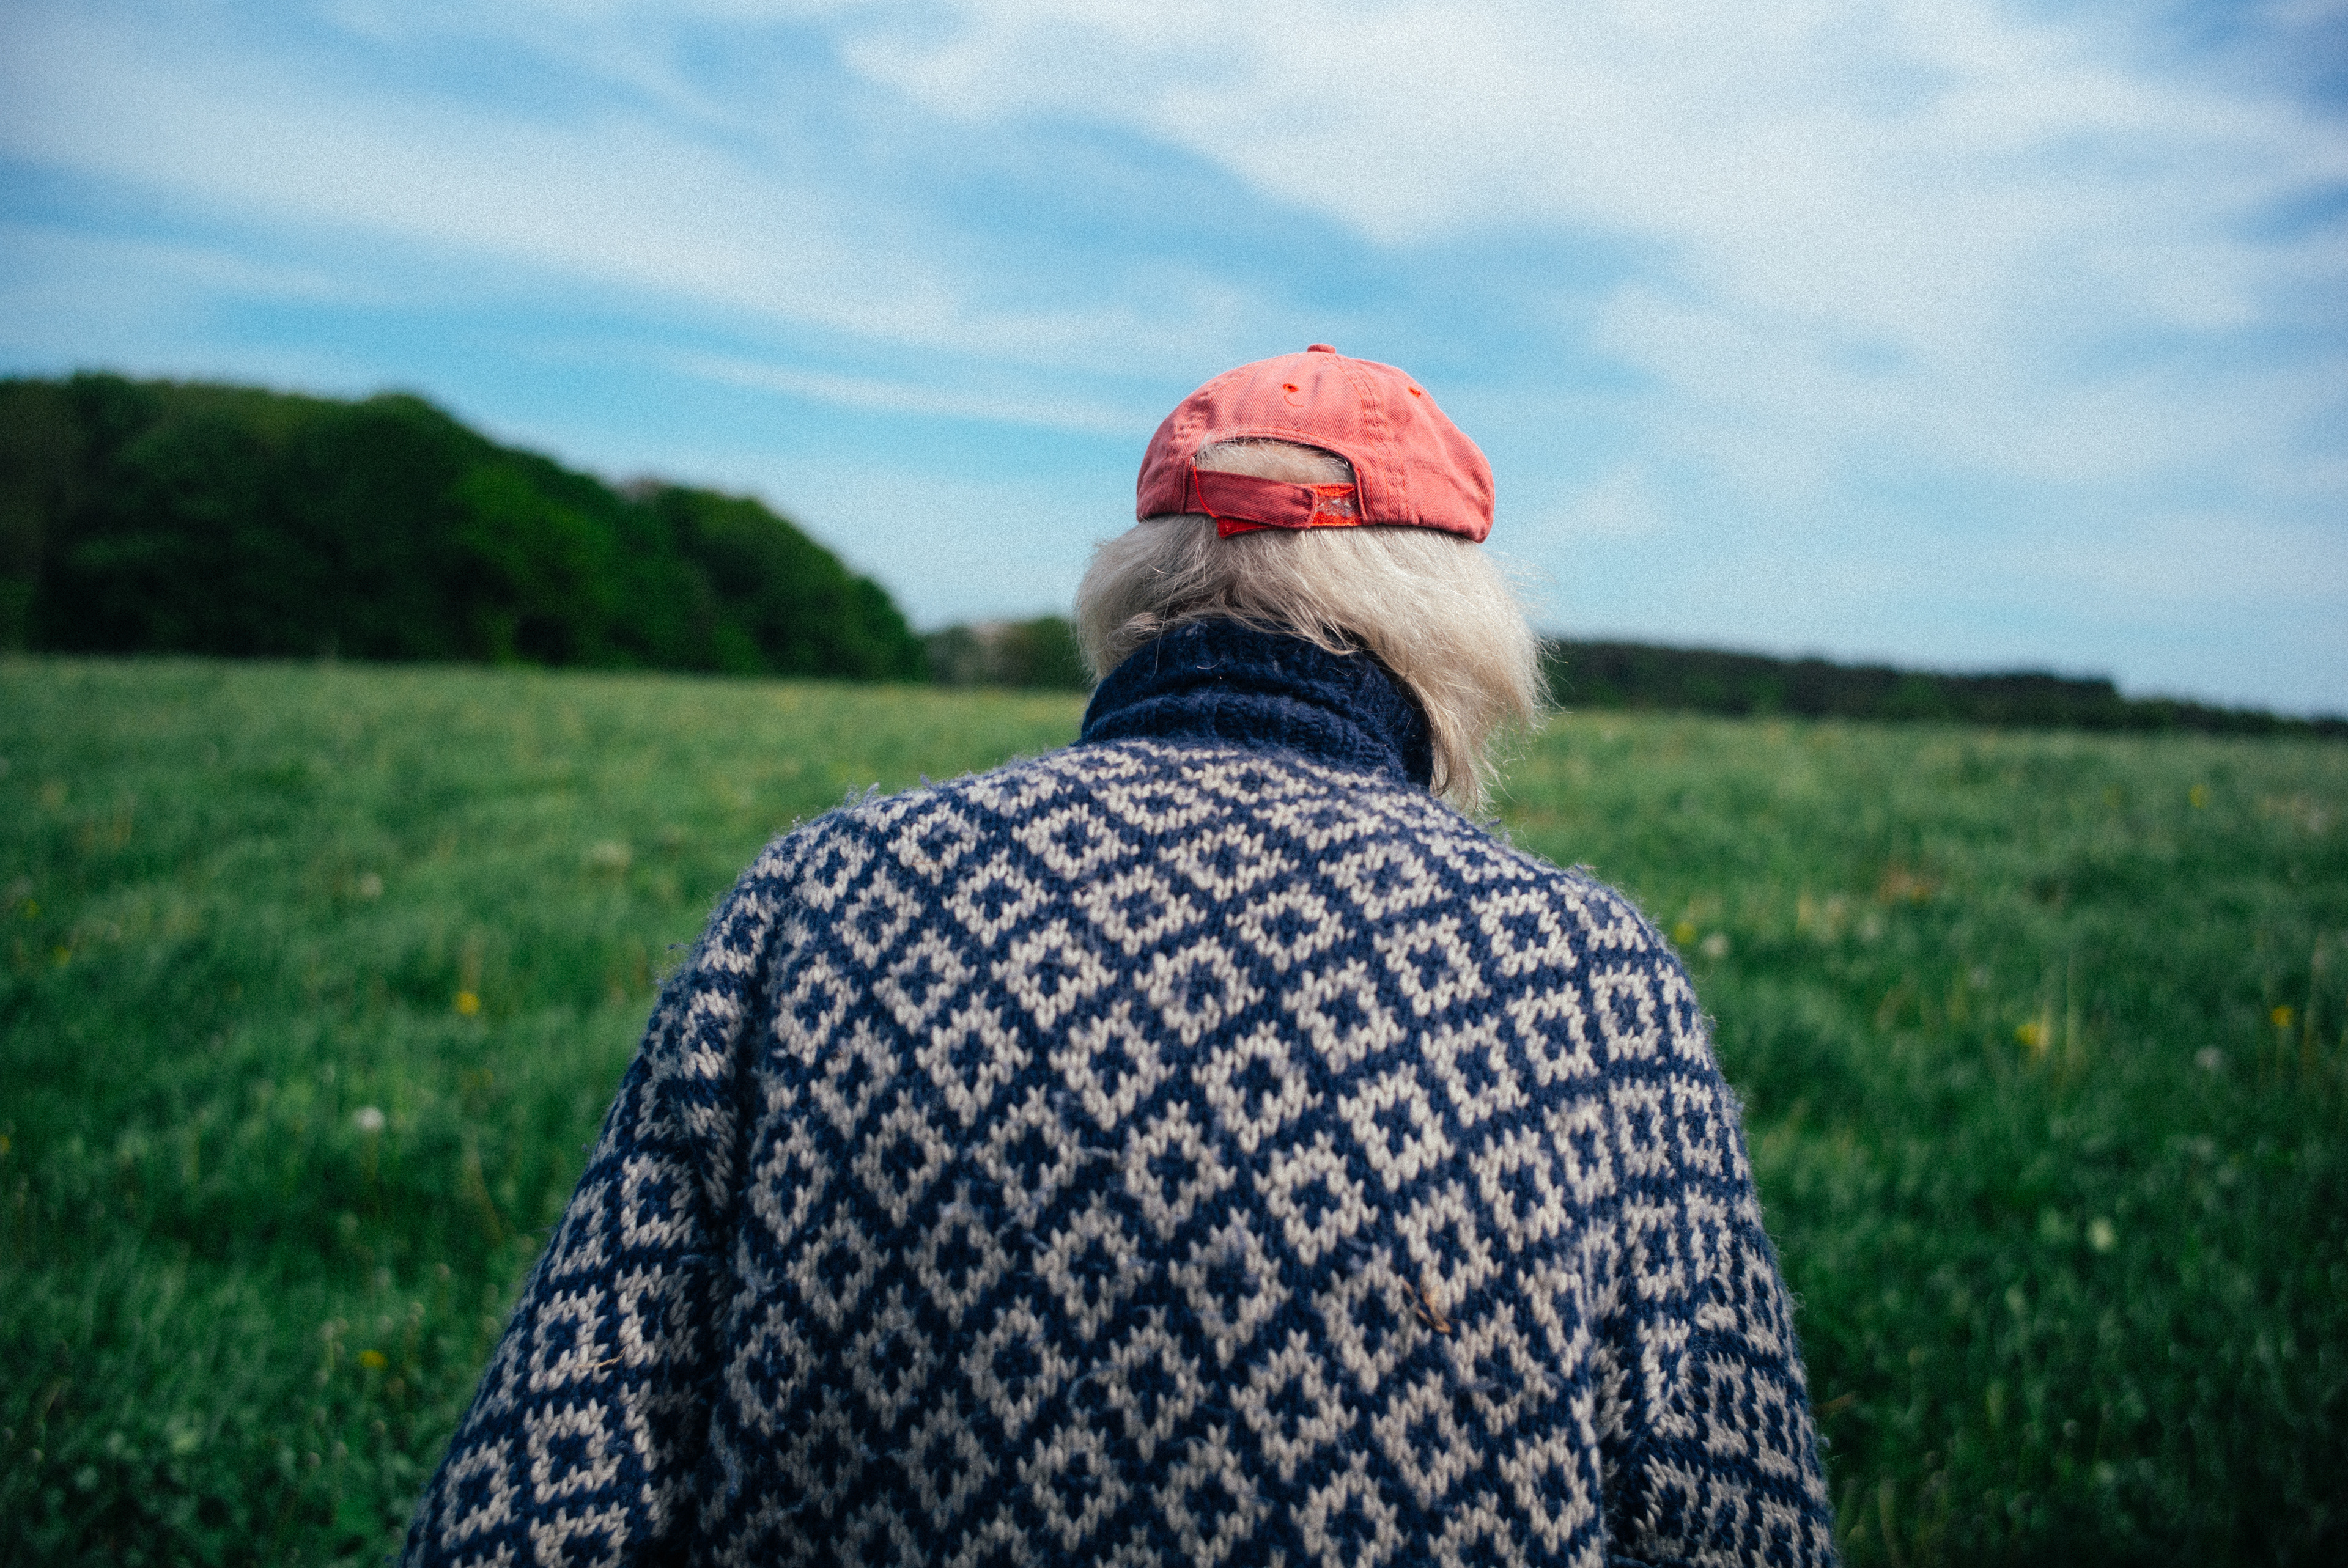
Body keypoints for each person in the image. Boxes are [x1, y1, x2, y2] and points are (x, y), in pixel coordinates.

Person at [399, 345, 1837, 1566]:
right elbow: (1737, 1520)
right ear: (1458, 628)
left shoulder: (822, 891)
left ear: (1137, 583)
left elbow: (542, 1490)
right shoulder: (1581, 977)